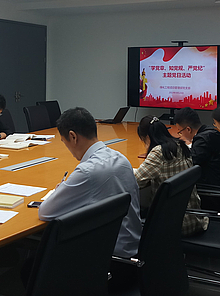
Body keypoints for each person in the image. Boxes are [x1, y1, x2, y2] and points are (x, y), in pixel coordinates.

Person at [38, 107, 142, 258]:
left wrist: (59, 191)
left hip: (108, 255)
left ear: (73, 137)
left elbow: (45, 212)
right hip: (132, 244)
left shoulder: (87, 171)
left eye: (64, 142)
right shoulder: (121, 159)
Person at [133, 115, 208, 236]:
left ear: (147, 137)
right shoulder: (181, 145)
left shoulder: (159, 152)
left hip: (173, 225)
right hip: (194, 218)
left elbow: (135, 182)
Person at [174, 107, 220, 187]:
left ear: (188, 129)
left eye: (180, 131)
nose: (181, 135)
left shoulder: (202, 140)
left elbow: (188, 164)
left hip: (215, 188)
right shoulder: (212, 132)